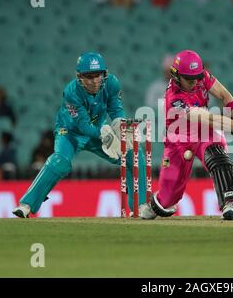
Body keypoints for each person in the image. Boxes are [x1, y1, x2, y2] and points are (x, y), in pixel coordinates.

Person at [139, 50, 233, 220]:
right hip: (178, 141)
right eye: (189, 79)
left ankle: (229, 203)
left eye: (197, 77)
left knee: (218, 156)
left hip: (204, 133)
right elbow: (208, 118)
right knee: (168, 199)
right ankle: (154, 205)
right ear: (176, 76)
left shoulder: (200, 76)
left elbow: (225, 96)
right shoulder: (175, 98)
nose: (195, 82)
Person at [12, 52, 147, 218]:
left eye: (98, 75)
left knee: (134, 153)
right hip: (70, 132)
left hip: (99, 128)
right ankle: (26, 204)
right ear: (79, 77)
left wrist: (120, 125)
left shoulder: (112, 83)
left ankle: (141, 206)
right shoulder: (71, 92)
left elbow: (115, 108)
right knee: (59, 161)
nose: (95, 81)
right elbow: (82, 125)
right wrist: (105, 135)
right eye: (88, 77)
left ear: (104, 74)